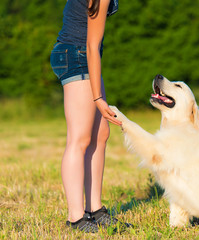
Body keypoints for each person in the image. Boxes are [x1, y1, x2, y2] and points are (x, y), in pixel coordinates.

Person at [50, 0, 122, 233]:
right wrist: (98, 98)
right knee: (79, 139)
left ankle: (95, 209)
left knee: (100, 134)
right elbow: (92, 44)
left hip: (85, 54)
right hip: (77, 55)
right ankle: (76, 217)